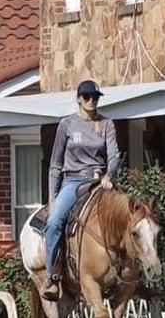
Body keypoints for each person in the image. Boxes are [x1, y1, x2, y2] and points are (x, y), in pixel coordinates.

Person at [41, 80, 121, 301]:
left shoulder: (107, 124)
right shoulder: (66, 125)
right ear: (78, 99)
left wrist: (109, 175)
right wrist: (52, 199)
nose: (91, 100)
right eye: (87, 96)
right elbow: (55, 164)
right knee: (54, 222)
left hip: (101, 180)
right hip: (74, 180)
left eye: (95, 97)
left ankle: (132, 272)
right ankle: (52, 275)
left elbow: (114, 156)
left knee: (130, 215)